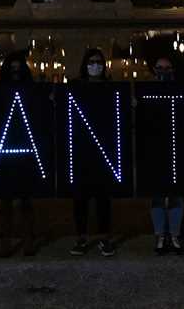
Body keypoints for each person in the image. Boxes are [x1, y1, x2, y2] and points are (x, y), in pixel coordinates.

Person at [70, 47, 116, 258]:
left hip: (104, 150)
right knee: (80, 198)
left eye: (98, 62)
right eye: (91, 62)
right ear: (85, 65)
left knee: (103, 197)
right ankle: (81, 237)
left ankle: (105, 237)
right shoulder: (75, 87)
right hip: (81, 150)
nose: (95, 65)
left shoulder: (110, 87)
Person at [0, 52, 37, 258]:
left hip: (24, 148)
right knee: (6, 199)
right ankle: (5, 239)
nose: (15, 72)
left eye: (18, 68)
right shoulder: (0, 91)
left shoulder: (28, 91)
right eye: (11, 69)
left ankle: (27, 238)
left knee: (25, 197)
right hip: (5, 150)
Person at [149, 54, 184, 256]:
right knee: (156, 194)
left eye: (167, 68)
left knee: (177, 194)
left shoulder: (180, 91)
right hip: (154, 149)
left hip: (176, 148)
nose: (164, 72)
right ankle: (160, 235)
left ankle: (174, 234)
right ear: (154, 70)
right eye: (160, 68)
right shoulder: (147, 93)